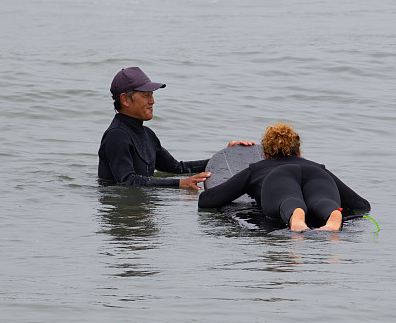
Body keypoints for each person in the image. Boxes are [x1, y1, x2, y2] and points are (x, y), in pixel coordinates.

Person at [98, 67, 253, 188]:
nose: (152, 101)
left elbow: (178, 168)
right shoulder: (116, 135)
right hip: (122, 217)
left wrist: (225, 156)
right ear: (125, 100)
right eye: (146, 95)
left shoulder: (148, 135)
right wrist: (179, 184)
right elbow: (127, 181)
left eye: (152, 95)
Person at [198, 123, 370, 231]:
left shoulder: (257, 168)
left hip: (278, 178)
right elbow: (361, 205)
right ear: (300, 152)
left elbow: (208, 200)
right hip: (318, 177)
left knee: (289, 201)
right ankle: (332, 216)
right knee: (322, 202)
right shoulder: (318, 167)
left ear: (265, 154)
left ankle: (297, 219)